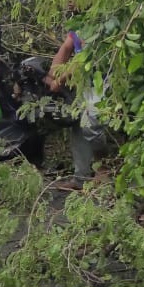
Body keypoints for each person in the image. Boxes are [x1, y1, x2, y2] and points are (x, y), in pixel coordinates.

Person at [45, 29, 107, 190]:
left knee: (91, 124)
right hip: (84, 84)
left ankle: (104, 169)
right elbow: (66, 48)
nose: (70, 2)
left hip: (104, 81)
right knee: (78, 123)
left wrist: (60, 79)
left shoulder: (99, 21)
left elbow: (84, 60)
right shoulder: (78, 25)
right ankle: (81, 179)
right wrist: (54, 72)